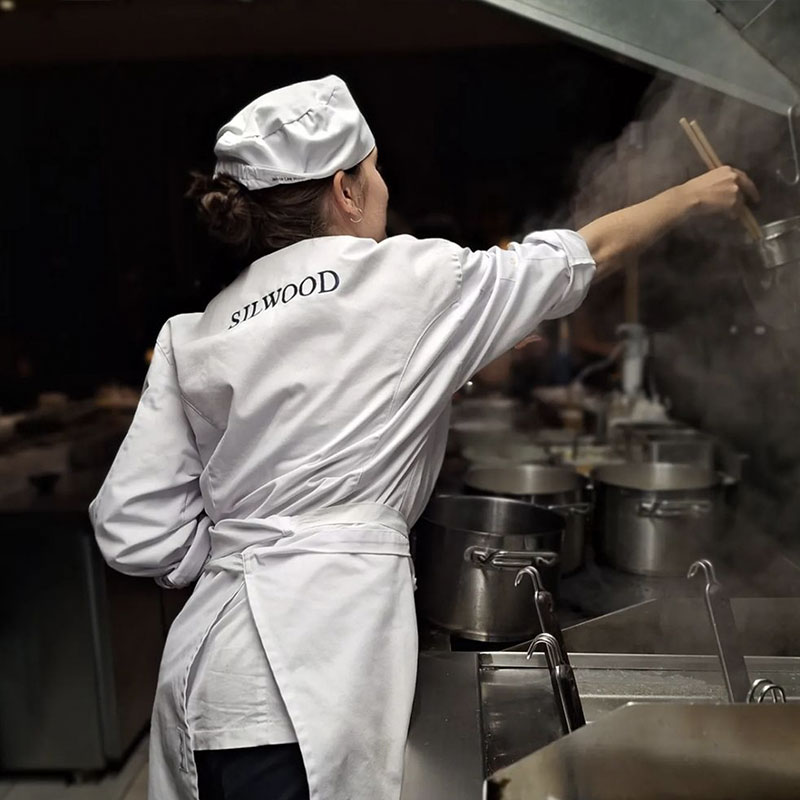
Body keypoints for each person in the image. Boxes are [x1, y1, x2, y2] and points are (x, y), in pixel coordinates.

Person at [89, 75, 757, 800]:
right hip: (309, 688)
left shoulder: (195, 332)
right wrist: (692, 196)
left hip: (205, 680)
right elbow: (578, 256)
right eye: (375, 171)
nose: (383, 188)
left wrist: (241, 546)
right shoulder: (408, 277)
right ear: (345, 189)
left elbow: (131, 524)